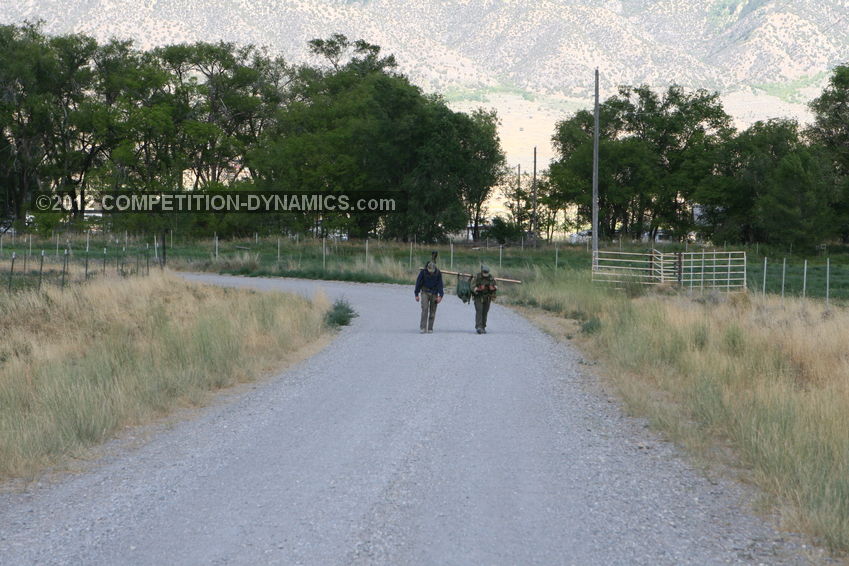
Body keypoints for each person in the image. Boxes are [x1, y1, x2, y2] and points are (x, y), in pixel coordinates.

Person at [414, 261, 443, 333]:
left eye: (432, 271)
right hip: (425, 292)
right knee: (425, 309)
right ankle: (423, 327)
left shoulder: (438, 273)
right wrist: (416, 294)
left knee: (433, 311)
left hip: (434, 293)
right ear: (427, 268)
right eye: (430, 271)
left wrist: (440, 296)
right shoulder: (423, 272)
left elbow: (440, 285)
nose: (431, 273)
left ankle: (430, 328)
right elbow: (418, 283)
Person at [471, 265, 497, 334]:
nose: (486, 274)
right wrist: (479, 289)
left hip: (487, 298)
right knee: (479, 311)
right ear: (482, 271)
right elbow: (472, 287)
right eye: (484, 272)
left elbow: (495, 287)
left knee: (485, 312)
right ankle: (478, 327)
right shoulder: (477, 277)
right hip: (478, 297)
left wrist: (493, 288)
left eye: (487, 272)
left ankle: (483, 327)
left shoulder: (491, 278)